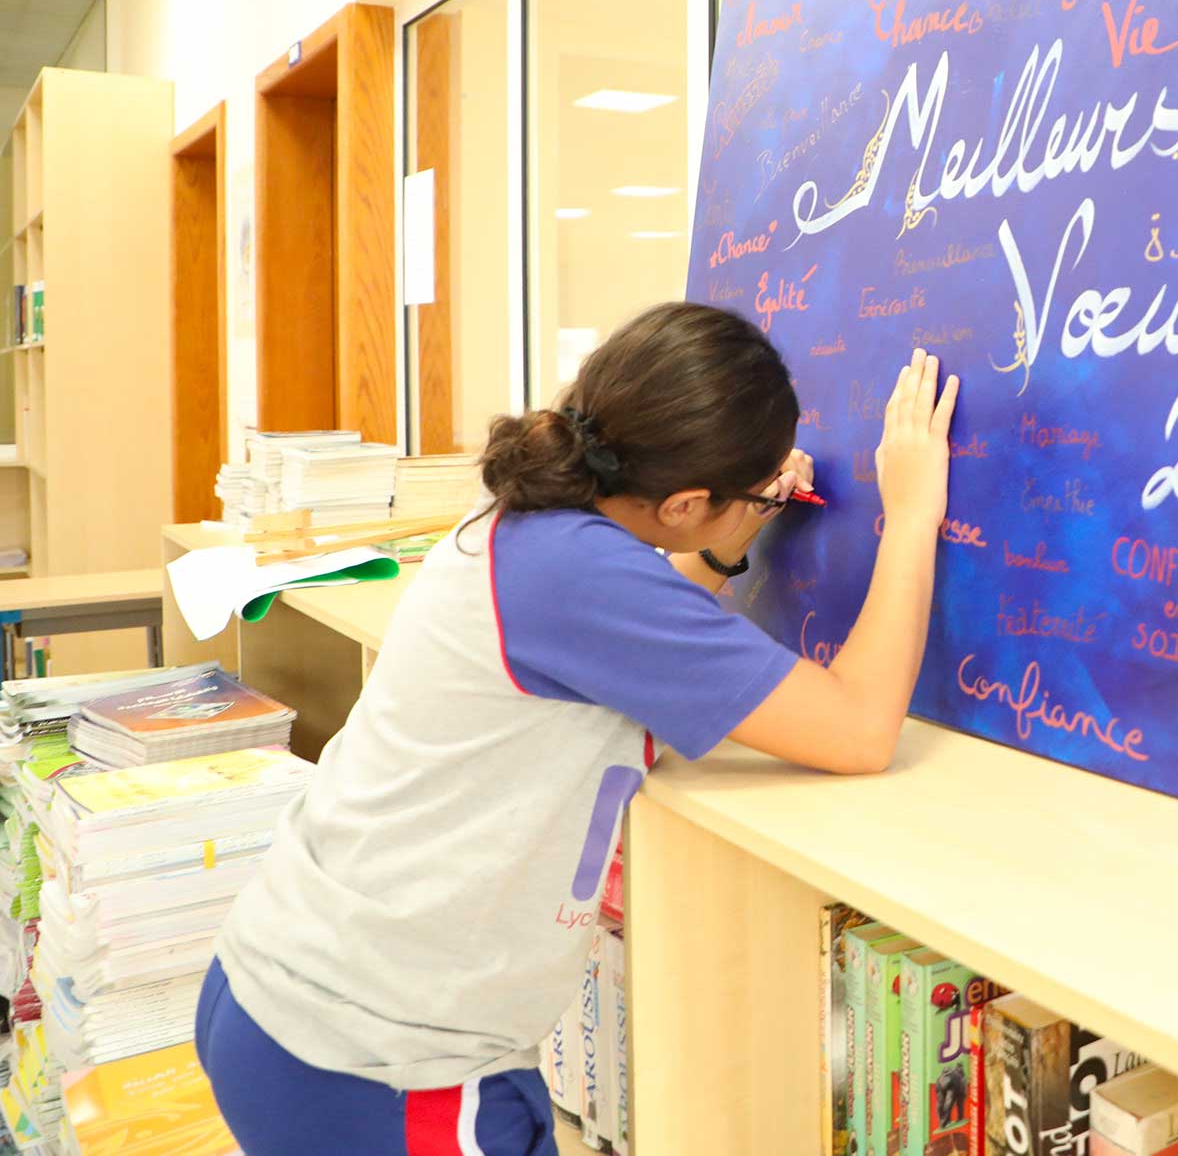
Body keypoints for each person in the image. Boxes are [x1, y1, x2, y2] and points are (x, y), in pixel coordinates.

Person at [194, 301, 958, 1155]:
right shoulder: (580, 574)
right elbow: (859, 730)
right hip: (377, 1063)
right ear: (684, 502)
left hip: (290, 996)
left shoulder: (535, 520)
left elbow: (624, 637)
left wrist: (719, 543)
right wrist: (911, 512)